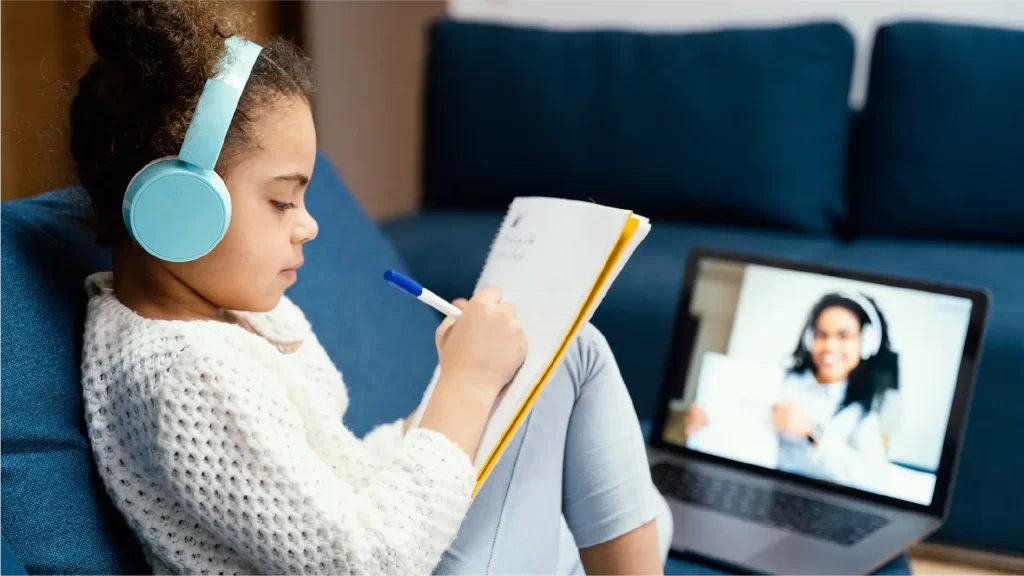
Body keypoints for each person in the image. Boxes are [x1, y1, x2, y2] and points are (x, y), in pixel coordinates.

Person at [72, 1, 671, 575]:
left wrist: (438, 409)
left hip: (401, 541)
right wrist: (465, 386)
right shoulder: (184, 376)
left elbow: (345, 474)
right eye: (282, 201)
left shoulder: (237, 316)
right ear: (177, 209)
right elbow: (365, 562)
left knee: (628, 502)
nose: (308, 225)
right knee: (577, 361)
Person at [683, 291, 899, 490]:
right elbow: (734, 424)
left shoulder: (861, 412)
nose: (830, 346)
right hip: (746, 484)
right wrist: (704, 423)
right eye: (821, 334)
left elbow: (874, 480)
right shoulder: (778, 380)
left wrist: (813, 433)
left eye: (843, 336)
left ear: (866, 342)